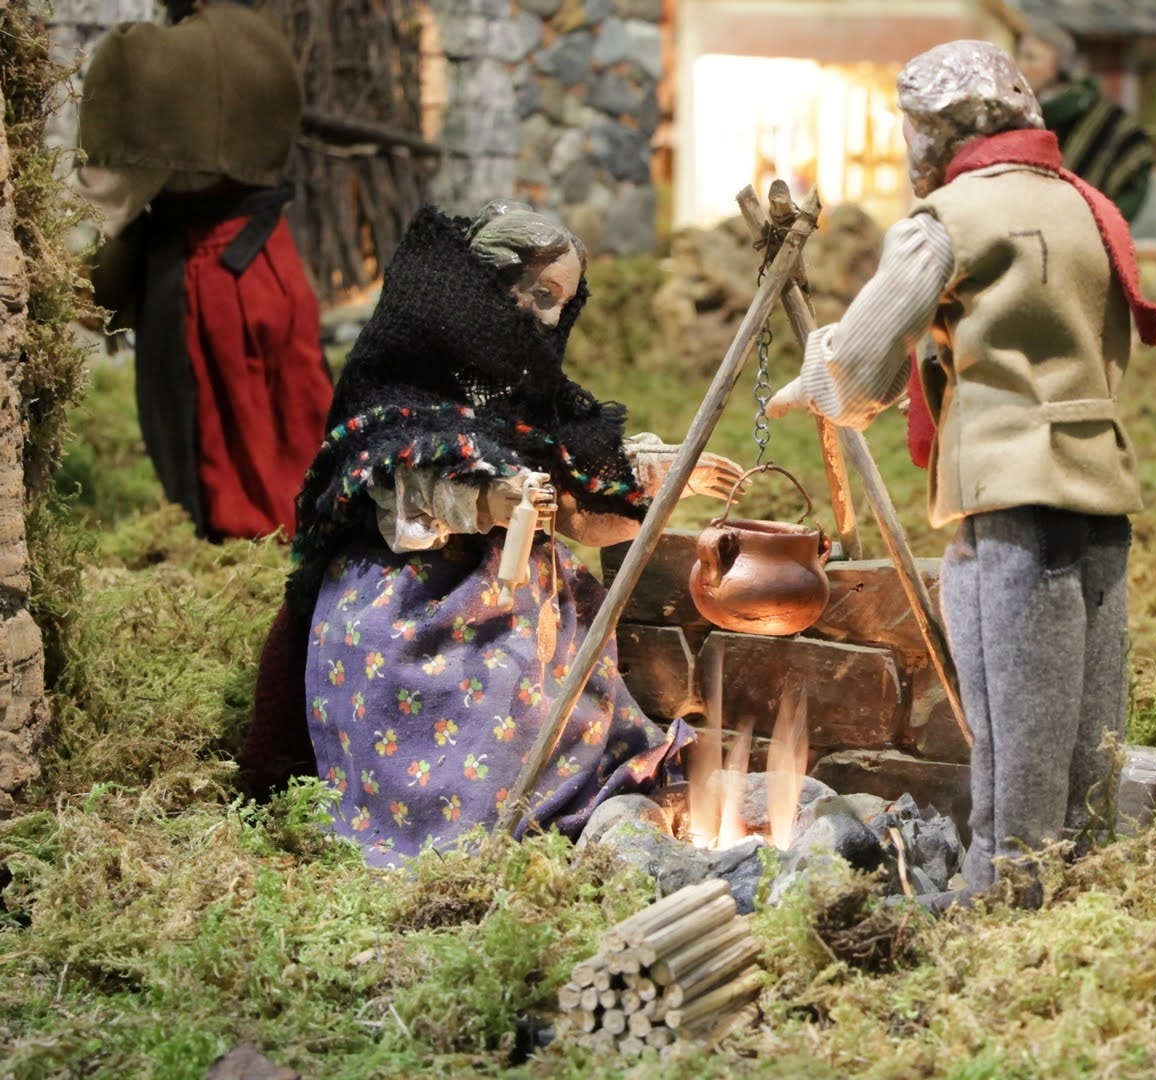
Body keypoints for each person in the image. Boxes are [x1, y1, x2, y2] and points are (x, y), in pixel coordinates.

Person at [767, 41, 1156, 908]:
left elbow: (860, 367)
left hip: (1010, 494)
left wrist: (810, 384)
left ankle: (1002, 893)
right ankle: (1086, 881)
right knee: (1090, 721)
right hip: (1099, 479)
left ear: (930, 131)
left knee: (1015, 722)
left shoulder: (947, 221)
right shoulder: (1085, 205)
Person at [242, 202, 744, 866]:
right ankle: (464, 831)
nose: (548, 320)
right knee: (468, 719)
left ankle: (585, 802)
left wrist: (656, 478)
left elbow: (581, 511)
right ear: (485, 284)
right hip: (414, 604)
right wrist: (485, 500)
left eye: (560, 304)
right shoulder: (399, 385)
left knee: (563, 703)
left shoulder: (529, 402)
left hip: (529, 603)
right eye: (539, 295)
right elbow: (396, 493)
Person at [73, 0, 332, 540]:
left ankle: (253, 541)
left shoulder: (156, 61)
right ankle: (317, 530)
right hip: (274, 261)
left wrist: (92, 274)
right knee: (293, 408)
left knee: (228, 430)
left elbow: (113, 198)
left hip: (209, 274)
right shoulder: (261, 42)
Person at [1014, 14, 1156, 223]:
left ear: (1058, 66)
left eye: (1031, 58)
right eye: (1018, 56)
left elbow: (1135, 170)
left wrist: (1106, 223)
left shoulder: (1104, 120)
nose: (1020, 66)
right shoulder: (1016, 117)